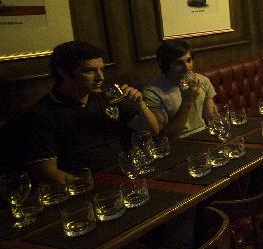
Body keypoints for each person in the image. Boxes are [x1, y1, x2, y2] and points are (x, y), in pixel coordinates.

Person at [21, 41, 159, 180]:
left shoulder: (105, 97)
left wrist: (141, 105)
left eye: (101, 69)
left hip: (127, 173)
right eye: (89, 71)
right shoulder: (41, 115)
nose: (100, 77)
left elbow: (152, 131)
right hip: (90, 185)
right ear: (63, 73)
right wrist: (88, 186)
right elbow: (47, 172)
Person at [142, 40, 217, 137]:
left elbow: (211, 119)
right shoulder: (151, 93)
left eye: (189, 60)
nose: (187, 67)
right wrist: (187, 101)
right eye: (179, 63)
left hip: (204, 136)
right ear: (165, 65)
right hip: (178, 142)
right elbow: (167, 136)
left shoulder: (202, 80)